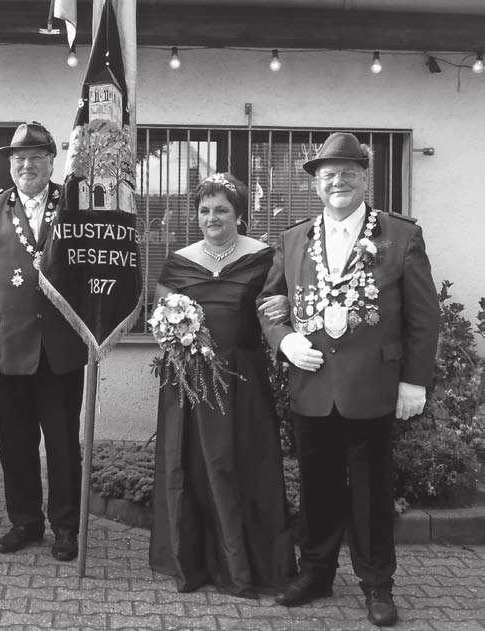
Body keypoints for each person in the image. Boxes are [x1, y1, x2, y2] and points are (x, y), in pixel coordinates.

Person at [258, 132, 440, 627]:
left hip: (372, 388)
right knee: (316, 488)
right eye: (328, 174)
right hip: (312, 387)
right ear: (316, 184)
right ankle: (315, 573)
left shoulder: (400, 236)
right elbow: (272, 300)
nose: (338, 181)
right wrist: (283, 339)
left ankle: (377, 584)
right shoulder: (295, 238)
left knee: (370, 492)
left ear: (365, 179)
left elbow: (424, 315)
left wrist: (414, 381)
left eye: (348, 173)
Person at [148, 172, 296, 596]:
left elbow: (279, 308)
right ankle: (192, 562)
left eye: (222, 210)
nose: (212, 217)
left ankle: (244, 564)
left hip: (243, 383)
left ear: (239, 214)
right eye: (205, 210)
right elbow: (160, 316)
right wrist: (177, 337)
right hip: (189, 386)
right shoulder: (179, 260)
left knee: (240, 467)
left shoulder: (265, 258)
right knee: (191, 468)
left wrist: (286, 303)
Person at [0, 122, 87, 561]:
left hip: (62, 348)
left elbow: (95, 274)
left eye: (35, 157)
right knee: (14, 443)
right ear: (10, 165)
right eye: (18, 159)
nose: (26, 165)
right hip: (6, 347)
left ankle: (66, 527)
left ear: (52, 161)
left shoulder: (77, 204)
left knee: (64, 444)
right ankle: (25, 522)